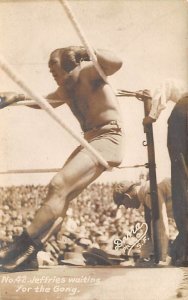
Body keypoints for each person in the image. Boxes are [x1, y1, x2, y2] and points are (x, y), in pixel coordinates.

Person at [0, 46, 124, 272]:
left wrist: (86, 50)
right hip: (91, 140)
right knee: (61, 196)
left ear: (71, 64)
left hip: (108, 137)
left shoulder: (88, 72)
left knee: (58, 185)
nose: (51, 71)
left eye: (54, 67)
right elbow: (43, 102)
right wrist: (16, 97)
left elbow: (116, 62)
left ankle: (18, 248)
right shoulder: (65, 88)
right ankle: (29, 254)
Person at [142, 78, 188, 266]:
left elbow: (164, 88)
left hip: (182, 113)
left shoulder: (180, 87)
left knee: (182, 180)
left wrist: (151, 116)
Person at [113, 178, 174, 264]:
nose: (126, 207)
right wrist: (144, 255)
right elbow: (150, 230)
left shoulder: (148, 192)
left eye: (123, 204)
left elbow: (160, 225)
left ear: (127, 196)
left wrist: (162, 259)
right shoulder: (145, 196)